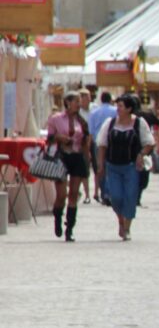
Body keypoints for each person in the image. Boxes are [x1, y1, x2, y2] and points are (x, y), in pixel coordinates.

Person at [96, 94, 155, 240]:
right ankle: (121, 220)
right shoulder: (110, 123)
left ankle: (127, 228)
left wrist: (141, 154)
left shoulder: (139, 123)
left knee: (130, 196)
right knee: (115, 197)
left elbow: (149, 143)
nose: (117, 108)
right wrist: (100, 164)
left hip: (131, 166)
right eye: (117, 105)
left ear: (129, 109)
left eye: (121, 106)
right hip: (113, 166)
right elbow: (102, 145)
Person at [47, 91, 91, 242]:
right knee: (61, 195)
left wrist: (88, 162)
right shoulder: (56, 119)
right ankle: (57, 217)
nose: (79, 104)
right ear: (68, 102)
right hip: (61, 157)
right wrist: (59, 137)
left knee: (73, 194)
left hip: (77, 157)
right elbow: (49, 138)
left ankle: (70, 228)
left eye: (80, 101)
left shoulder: (82, 121)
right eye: (76, 101)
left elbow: (85, 143)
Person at [88, 91, 117, 205]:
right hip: (113, 142)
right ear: (110, 99)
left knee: (100, 168)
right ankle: (110, 193)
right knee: (111, 167)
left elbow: (91, 132)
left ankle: (104, 192)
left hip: (98, 143)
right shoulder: (115, 111)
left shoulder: (94, 112)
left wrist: (89, 147)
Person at [78, 88, 94, 204]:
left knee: (87, 170)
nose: (89, 100)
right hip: (81, 143)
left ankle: (89, 194)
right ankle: (81, 192)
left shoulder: (94, 109)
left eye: (89, 97)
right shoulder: (77, 113)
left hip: (93, 141)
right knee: (81, 170)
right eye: (86, 98)